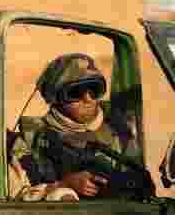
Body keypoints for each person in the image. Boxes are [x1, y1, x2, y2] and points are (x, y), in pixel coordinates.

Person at [9, 53, 139, 201]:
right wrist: (63, 185)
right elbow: (17, 199)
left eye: (94, 89)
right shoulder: (30, 139)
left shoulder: (120, 131)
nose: (88, 99)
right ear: (55, 97)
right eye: (76, 92)